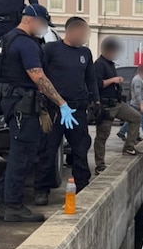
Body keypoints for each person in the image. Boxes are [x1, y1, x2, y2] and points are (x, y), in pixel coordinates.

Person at [0, 4, 78, 223]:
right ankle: (14, 207)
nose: (44, 28)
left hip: (12, 101)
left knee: (23, 153)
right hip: (22, 105)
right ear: (30, 19)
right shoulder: (25, 44)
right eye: (44, 24)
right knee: (23, 156)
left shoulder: (7, 38)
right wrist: (62, 103)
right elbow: (38, 77)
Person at [24, 16, 99, 206]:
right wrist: (42, 105)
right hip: (55, 108)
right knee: (48, 150)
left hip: (77, 109)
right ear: (71, 31)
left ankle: (82, 186)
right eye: (81, 33)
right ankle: (41, 189)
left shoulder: (85, 53)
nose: (83, 37)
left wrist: (96, 101)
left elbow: (90, 79)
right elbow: (39, 76)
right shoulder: (50, 49)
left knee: (80, 149)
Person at [93, 39, 140, 170]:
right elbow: (96, 84)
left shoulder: (110, 64)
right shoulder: (99, 65)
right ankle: (100, 165)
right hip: (106, 105)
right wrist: (113, 80)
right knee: (102, 136)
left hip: (117, 103)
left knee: (136, 117)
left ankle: (129, 147)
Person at [125, 65, 143, 141]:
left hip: (139, 104)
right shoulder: (137, 80)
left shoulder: (139, 80)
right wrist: (141, 105)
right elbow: (137, 93)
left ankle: (122, 132)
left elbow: (142, 93)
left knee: (133, 120)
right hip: (138, 105)